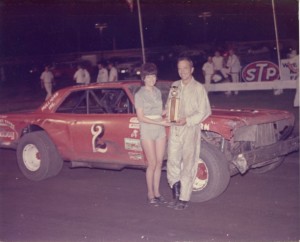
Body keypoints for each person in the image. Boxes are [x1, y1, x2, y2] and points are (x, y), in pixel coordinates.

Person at [166, 57, 211, 210]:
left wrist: (187, 120)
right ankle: (175, 195)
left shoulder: (198, 88)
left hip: (190, 129)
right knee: (172, 161)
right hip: (175, 129)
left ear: (192, 70)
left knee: (188, 163)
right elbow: (170, 106)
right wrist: (167, 114)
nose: (182, 71)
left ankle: (184, 198)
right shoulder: (175, 86)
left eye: (185, 68)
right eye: (179, 68)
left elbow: (204, 111)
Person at [134, 63, 170, 206]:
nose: (151, 79)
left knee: (160, 163)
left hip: (159, 130)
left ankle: (157, 193)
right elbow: (141, 117)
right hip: (148, 129)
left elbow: (158, 113)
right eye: (148, 77)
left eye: (153, 76)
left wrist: (168, 110)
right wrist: (161, 122)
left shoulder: (157, 91)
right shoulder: (139, 94)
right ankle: (150, 194)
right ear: (143, 78)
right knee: (152, 163)